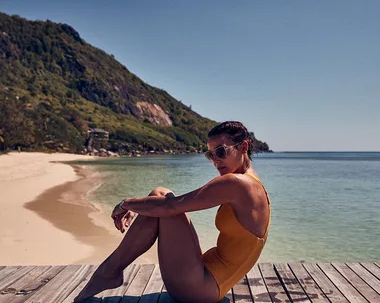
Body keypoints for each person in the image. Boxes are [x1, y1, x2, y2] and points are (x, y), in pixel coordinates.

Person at [74, 121, 271, 303]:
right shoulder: (254, 185)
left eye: (221, 151)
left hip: (198, 290)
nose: (215, 161)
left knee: (164, 202)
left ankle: (109, 271)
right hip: (209, 280)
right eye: (210, 155)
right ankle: (111, 271)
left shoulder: (236, 183)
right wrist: (138, 206)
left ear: (243, 147)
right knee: (161, 193)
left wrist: (125, 203)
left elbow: (171, 207)